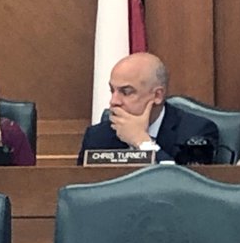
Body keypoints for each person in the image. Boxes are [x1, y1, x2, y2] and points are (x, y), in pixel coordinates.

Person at [77, 52, 218, 163]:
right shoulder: (97, 136)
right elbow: (83, 188)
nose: (114, 101)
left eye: (126, 92)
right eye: (112, 90)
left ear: (157, 95)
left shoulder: (195, 132)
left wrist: (142, 142)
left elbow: (188, 186)